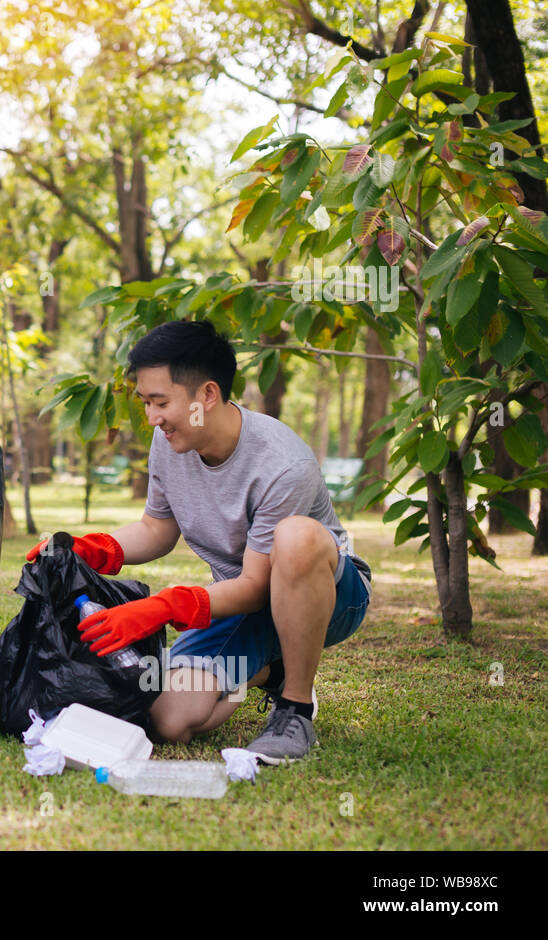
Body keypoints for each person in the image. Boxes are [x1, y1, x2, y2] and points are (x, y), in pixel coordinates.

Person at [27, 320, 371, 763]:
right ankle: (272, 669)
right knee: (170, 720)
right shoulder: (169, 441)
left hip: (330, 593)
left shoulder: (284, 466)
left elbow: (254, 584)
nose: (152, 418)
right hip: (244, 601)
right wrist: (92, 548)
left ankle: (296, 708)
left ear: (207, 395)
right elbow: (156, 528)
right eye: (146, 402)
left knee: (296, 537)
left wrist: (164, 607)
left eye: (160, 402)